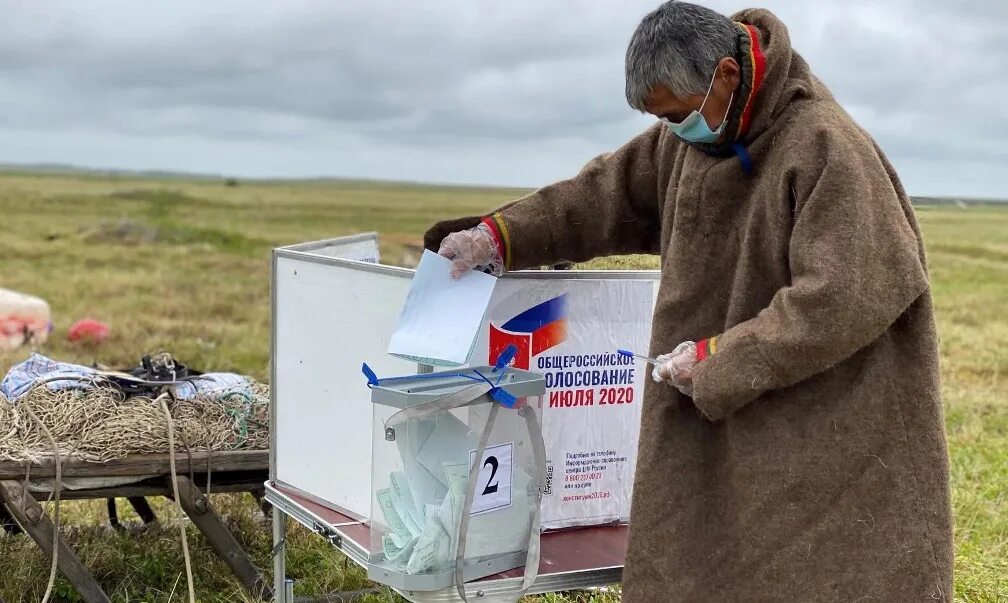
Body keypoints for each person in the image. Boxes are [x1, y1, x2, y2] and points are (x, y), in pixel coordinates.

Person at [424, 2, 953, 601]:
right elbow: (599, 197)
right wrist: (498, 236)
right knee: (697, 558)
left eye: (678, 114)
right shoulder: (691, 139)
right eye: (662, 119)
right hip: (712, 396)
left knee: (812, 571)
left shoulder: (827, 147)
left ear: (726, 75)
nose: (674, 130)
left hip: (822, 419)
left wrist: (724, 357)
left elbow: (846, 295)